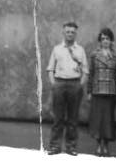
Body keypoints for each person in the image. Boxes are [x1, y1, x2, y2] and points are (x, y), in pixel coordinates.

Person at [46, 21, 88, 156]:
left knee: (73, 118)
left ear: (76, 34)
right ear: (63, 33)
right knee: (58, 117)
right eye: (67, 32)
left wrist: (80, 85)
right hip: (59, 84)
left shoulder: (80, 50)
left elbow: (86, 71)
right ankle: (55, 146)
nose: (70, 34)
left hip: (74, 84)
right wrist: (54, 84)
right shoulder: (57, 49)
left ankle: (71, 147)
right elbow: (50, 69)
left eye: (72, 32)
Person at [87, 27, 116, 156]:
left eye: (108, 38)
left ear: (111, 40)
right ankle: (98, 145)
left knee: (108, 120)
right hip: (97, 90)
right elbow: (91, 73)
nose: (105, 41)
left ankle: (106, 145)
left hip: (111, 91)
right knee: (98, 119)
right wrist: (89, 91)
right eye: (103, 39)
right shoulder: (94, 55)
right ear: (100, 41)